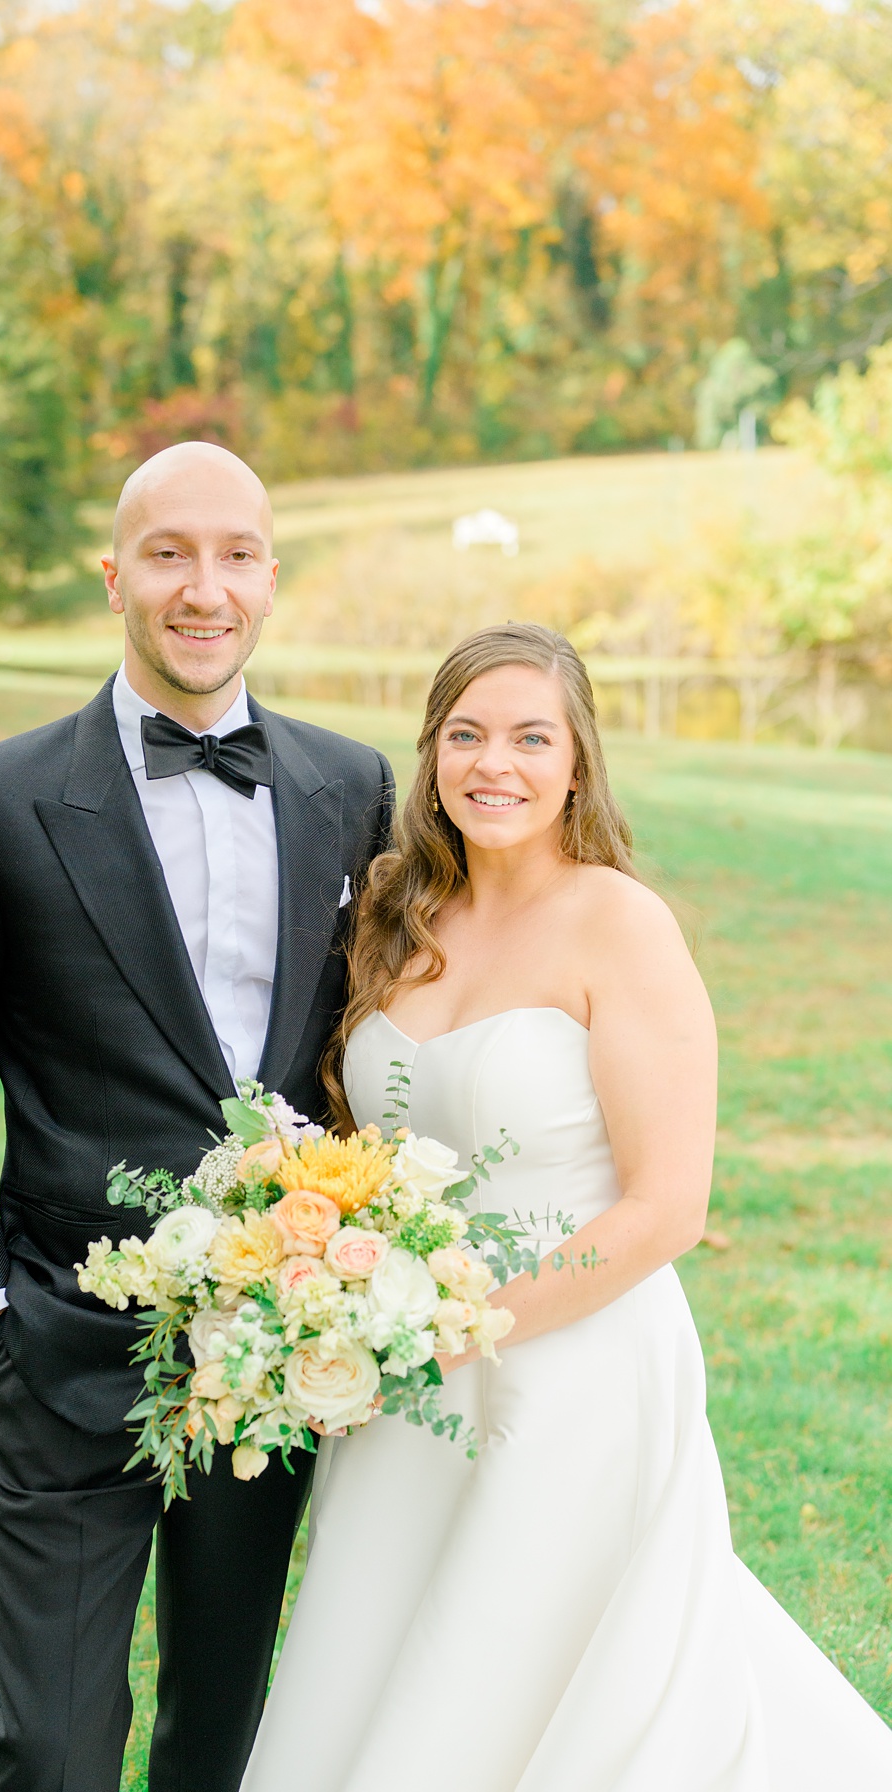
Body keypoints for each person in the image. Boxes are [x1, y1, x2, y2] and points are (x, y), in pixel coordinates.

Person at [241, 623, 892, 1789]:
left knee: (524, 1660)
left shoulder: (620, 923)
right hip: (400, 1369)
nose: (497, 764)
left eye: (532, 737)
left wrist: (471, 1324)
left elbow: (668, 1206)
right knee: (379, 1635)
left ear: (578, 764)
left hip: (576, 1360)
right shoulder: (395, 912)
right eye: (468, 735)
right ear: (433, 754)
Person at [0, 441, 396, 1791]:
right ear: (116, 576)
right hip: (59, 1335)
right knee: (48, 1748)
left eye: (234, 555)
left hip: (277, 1342)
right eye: (169, 552)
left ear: (273, 579)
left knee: (218, 1732)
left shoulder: (353, 790)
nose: (202, 588)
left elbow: (376, 1048)